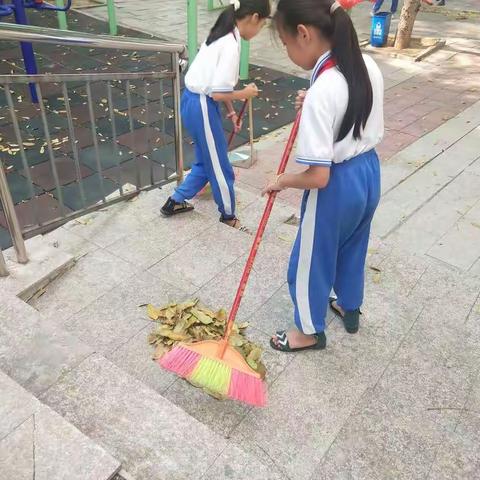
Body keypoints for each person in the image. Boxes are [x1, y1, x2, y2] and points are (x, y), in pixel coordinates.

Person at [264, 0, 384, 352]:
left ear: (304, 34)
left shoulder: (323, 90)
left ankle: (307, 331)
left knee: (311, 259)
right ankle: (349, 306)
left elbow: (318, 177)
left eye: (285, 44)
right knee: (353, 245)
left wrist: (282, 179)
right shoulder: (366, 65)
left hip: (336, 187)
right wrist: (313, 100)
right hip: (369, 174)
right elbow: (349, 105)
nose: (288, 52)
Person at [161, 0, 271, 232]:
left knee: (204, 160)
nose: (258, 31)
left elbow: (216, 83)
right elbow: (220, 91)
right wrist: (246, 93)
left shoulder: (223, 34)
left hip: (193, 101)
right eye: (261, 25)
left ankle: (175, 201)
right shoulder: (230, 43)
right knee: (220, 166)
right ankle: (228, 216)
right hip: (202, 105)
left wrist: (231, 112)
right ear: (253, 18)